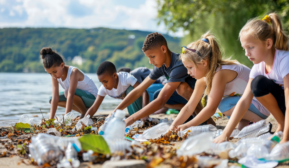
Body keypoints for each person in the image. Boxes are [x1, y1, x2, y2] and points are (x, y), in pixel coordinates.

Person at [169, 32, 270, 132]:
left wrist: (187, 126)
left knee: (224, 105)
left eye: (190, 67)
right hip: (248, 105)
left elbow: (211, 109)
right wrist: (174, 125)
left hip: (262, 104)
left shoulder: (220, 73)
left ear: (203, 63)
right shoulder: (202, 80)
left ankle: (260, 122)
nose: (188, 72)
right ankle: (249, 123)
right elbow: (189, 106)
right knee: (240, 130)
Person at [214, 13, 289, 143]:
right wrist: (225, 134)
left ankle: (285, 132)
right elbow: (244, 101)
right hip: (284, 109)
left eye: (251, 47)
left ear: (268, 43)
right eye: (244, 48)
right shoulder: (258, 68)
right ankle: (282, 125)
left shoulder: (284, 60)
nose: (246, 53)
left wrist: (285, 141)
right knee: (257, 85)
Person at [111, 32, 214, 126]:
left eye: (152, 56)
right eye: (148, 58)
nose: (150, 62)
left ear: (163, 49)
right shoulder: (160, 66)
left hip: (202, 96)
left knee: (180, 88)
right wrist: (115, 111)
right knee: (156, 95)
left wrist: (132, 118)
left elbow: (161, 101)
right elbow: (139, 90)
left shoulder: (179, 64)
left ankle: (205, 118)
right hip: (188, 100)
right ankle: (190, 114)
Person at [41, 47, 98, 119]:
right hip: (80, 97)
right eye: (50, 73)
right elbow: (55, 98)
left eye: (54, 72)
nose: (53, 75)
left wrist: (66, 119)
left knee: (67, 92)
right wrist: (50, 120)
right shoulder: (54, 76)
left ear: (62, 65)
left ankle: (84, 112)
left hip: (92, 98)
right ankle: (85, 111)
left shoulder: (74, 72)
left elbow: (70, 95)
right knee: (51, 99)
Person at [84, 61, 149, 117]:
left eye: (106, 81)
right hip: (131, 107)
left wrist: (145, 114)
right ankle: (134, 116)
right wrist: (84, 120)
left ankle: (139, 117)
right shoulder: (103, 88)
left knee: (131, 90)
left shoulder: (126, 78)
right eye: (102, 82)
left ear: (114, 76)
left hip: (145, 103)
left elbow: (144, 92)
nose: (104, 85)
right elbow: (93, 108)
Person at [118, 67, 186, 113]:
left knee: (142, 90)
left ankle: (160, 109)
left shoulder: (134, 73)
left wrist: (166, 82)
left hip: (161, 85)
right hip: (158, 89)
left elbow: (160, 74)